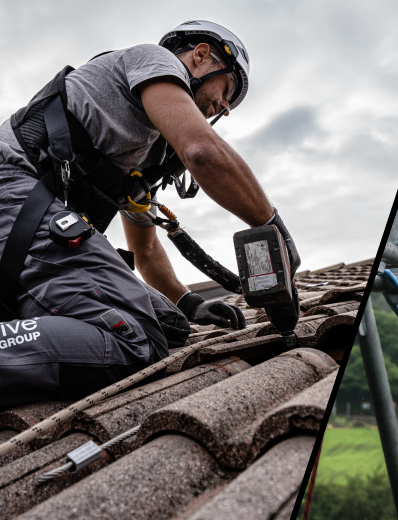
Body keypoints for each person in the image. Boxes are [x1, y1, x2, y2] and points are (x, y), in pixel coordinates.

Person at [0, 21, 300, 409]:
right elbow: (203, 152)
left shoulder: (136, 153)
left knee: (169, 326)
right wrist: (273, 228)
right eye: (226, 91)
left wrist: (188, 303)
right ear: (202, 54)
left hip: (28, 226)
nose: (225, 109)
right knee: (134, 337)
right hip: (14, 198)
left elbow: (144, 249)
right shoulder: (151, 59)